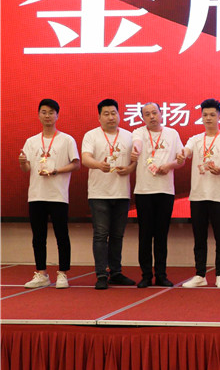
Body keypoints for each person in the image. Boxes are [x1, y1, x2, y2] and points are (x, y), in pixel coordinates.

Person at [19, 99, 80, 289]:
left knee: (62, 236)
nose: (47, 116)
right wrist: (22, 162)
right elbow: (26, 168)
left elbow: (76, 164)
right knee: (38, 237)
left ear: (57, 115)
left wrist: (56, 171)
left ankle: (63, 273)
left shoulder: (67, 140)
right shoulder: (31, 141)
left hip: (58, 194)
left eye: (51, 112)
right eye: (44, 112)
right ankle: (41, 273)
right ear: (39, 115)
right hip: (36, 195)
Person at [181, 98, 220, 289]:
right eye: (205, 115)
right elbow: (186, 151)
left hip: (219, 196)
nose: (208, 118)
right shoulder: (195, 139)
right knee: (199, 238)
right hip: (198, 196)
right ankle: (200, 275)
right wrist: (181, 154)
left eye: (212, 115)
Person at [81, 98, 137, 290]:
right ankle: (101, 274)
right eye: (106, 114)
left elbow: (135, 161)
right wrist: (99, 165)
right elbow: (85, 159)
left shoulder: (129, 136)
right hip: (99, 193)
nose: (111, 117)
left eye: (114, 113)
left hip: (121, 193)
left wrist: (129, 168)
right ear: (99, 117)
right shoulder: (91, 135)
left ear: (119, 115)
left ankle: (116, 272)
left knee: (117, 235)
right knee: (100, 235)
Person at [130, 102, 184, 288]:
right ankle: (146, 275)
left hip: (165, 191)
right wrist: (136, 150)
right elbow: (136, 144)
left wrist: (169, 166)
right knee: (145, 235)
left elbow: (180, 160)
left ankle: (161, 275)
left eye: (154, 113)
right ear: (142, 118)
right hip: (144, 191)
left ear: (161, 114)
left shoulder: (172, 134)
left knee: (161, 235)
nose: (152, 116)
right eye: (147, 114)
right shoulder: (138, 132)